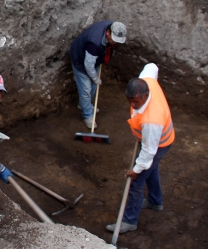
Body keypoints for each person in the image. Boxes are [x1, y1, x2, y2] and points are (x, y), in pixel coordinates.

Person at [106, 63, 175, 233]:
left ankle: (129, 221)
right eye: (130, 101)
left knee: (136, 182)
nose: (133, 105)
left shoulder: (152, 120)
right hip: (156, 141)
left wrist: (136, 170)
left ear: (146, 95)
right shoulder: (147, 80)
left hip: (158, 144)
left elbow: (149, 152)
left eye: (136, 102)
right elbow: (152, 66)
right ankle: (155, 202)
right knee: (152, 170)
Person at [69, 20, 126, 129]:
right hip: (80, 60)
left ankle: (84, 105)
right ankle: (88, 115)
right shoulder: (95, 42)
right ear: (108, 33)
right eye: (113, 40)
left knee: (94, 86)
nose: (115, 42)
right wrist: (95, 78)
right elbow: (88, 65)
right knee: (86, 89)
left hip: (93, 59)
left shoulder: (113, 26)